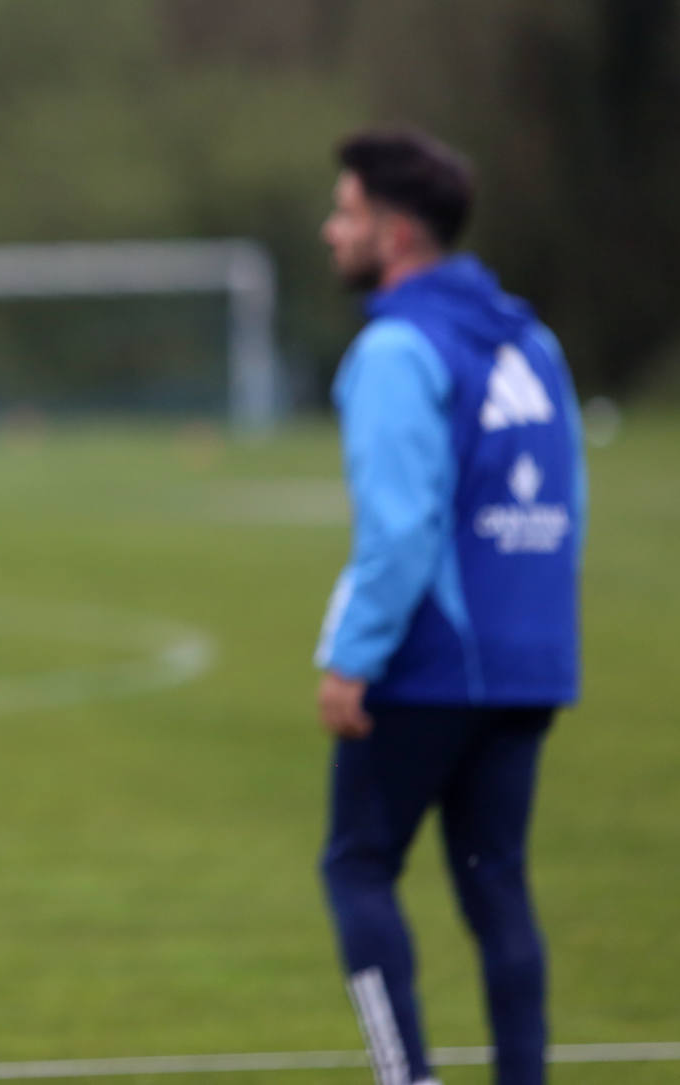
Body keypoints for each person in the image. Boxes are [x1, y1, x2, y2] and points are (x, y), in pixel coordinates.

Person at [313, 129, 586, 1085]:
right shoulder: (532, 337)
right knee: (498, 882)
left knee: (357, 866)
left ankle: (409, 1078)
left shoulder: (396, 346)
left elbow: (400, 530)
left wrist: (352, 655)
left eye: (343, 213)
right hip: (530, 658)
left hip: (429, 660)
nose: (328, 230)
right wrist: (539, 638)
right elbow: (569, 505)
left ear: (392, 232)